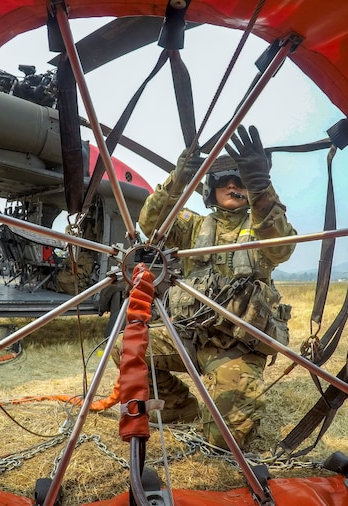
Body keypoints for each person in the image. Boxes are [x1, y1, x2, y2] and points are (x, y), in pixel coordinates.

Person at [115, 125, 296, 450]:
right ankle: (178, 405)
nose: (232, 185)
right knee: (125, 348)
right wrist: (179, 176)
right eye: (224, 180)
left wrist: (261, 186)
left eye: (240, 179)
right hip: (188, 336)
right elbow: (149, 222)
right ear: (210, 189)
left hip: (235, 346)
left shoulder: (263, 225)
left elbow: (282, 248)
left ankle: (226, 404)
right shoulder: (192, 225)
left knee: (223, 442)